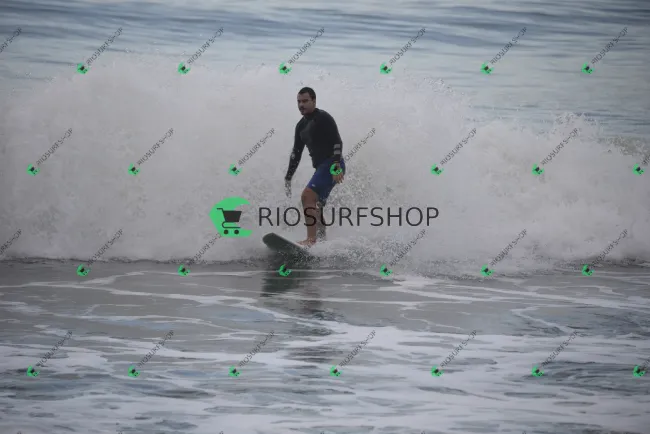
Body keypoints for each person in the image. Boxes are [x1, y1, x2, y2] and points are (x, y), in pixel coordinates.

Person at [285, 87, 345, 247]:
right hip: (321, 168)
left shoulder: (323, 118)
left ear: (314, 101)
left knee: (307, 196)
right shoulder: (300, 126)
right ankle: (322, 244)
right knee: (316, 207)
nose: (301, 105)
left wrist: (336, 165)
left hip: (331, 164)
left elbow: (337, 142)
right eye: (299, 101)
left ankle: (310, 240)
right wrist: (288, 176)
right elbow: (296, 153)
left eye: (305, 101)